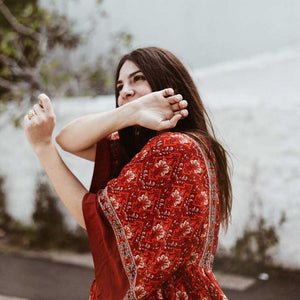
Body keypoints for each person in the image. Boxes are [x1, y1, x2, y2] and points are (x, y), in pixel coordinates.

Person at [24, 47, 232, 300]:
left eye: (138, 78)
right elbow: (68, 139)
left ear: (169, 84)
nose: (125, 91)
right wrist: (129, 112)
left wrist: (43, 148)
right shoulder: (151, 148)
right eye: (119, 86)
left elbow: (99, 219)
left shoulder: (174, 148)